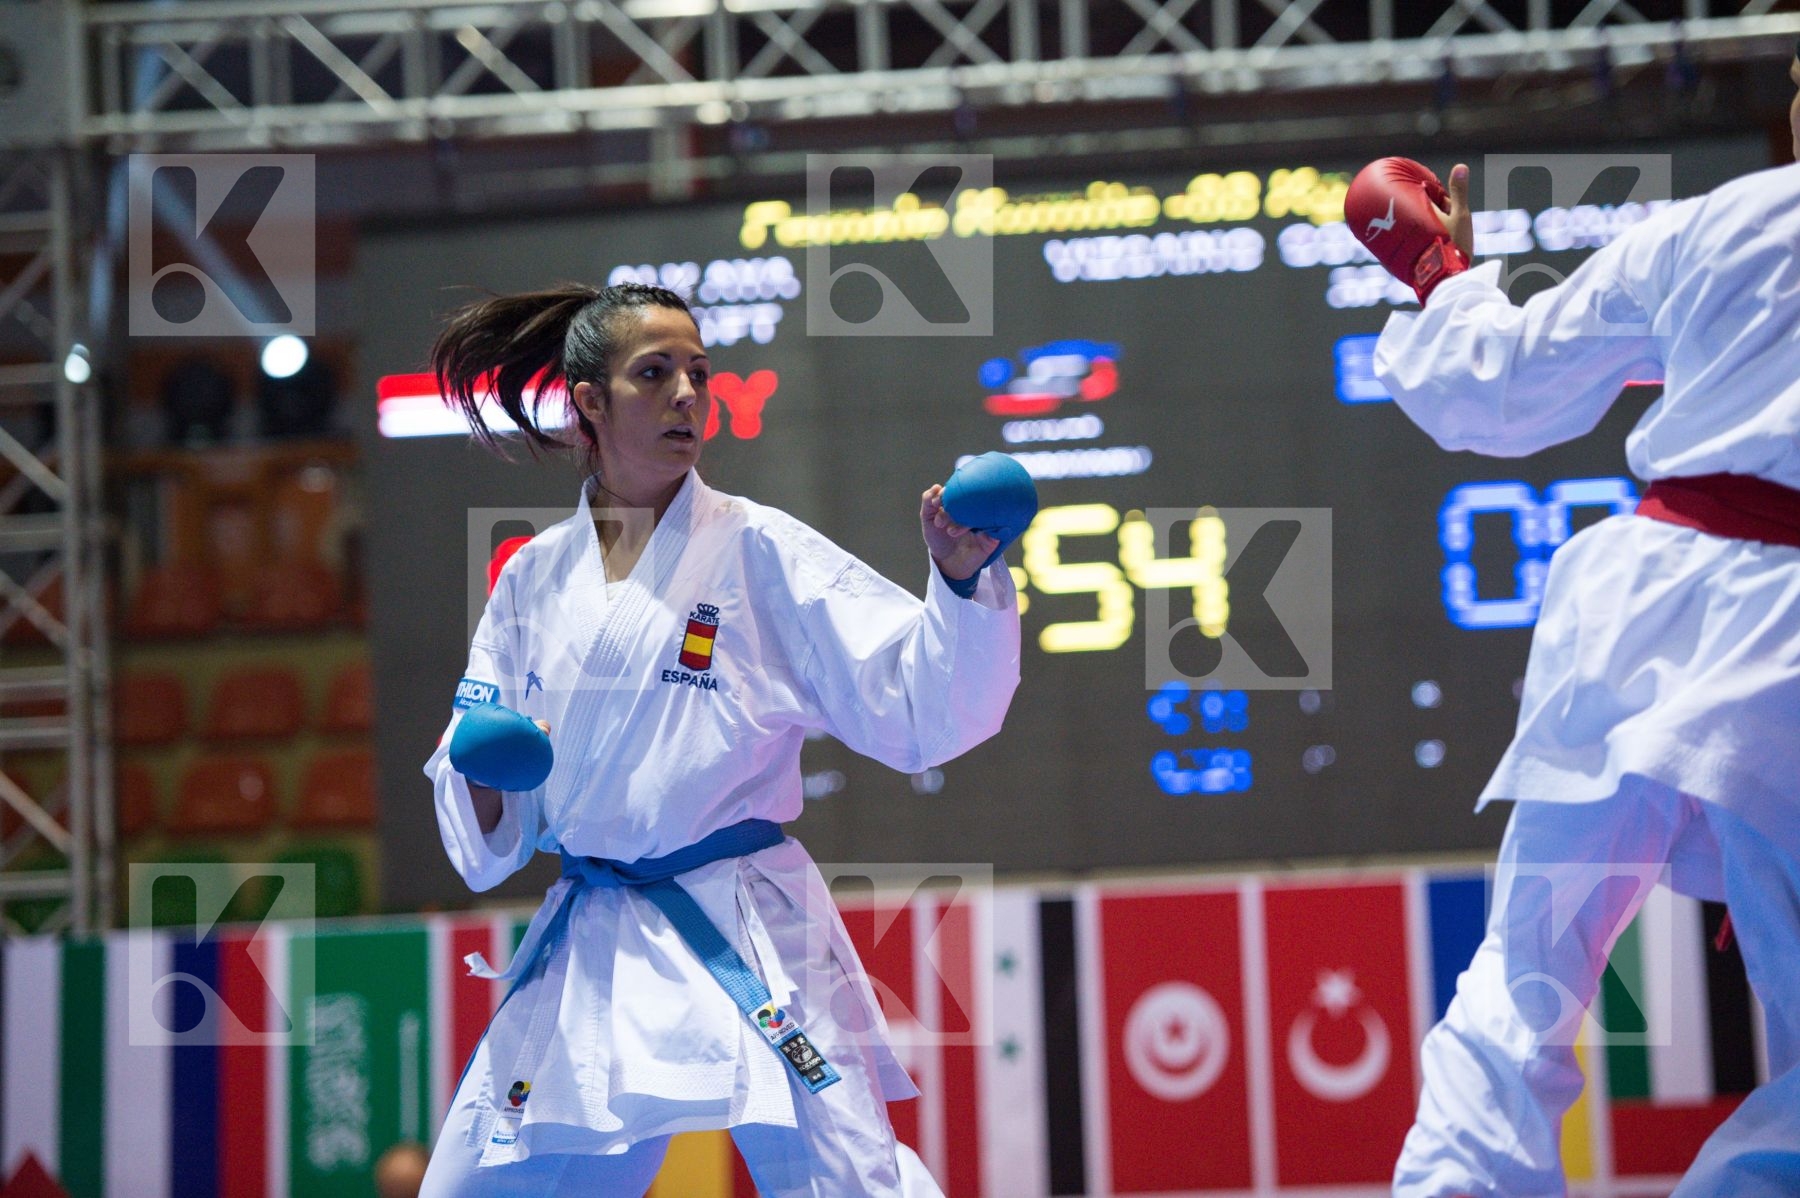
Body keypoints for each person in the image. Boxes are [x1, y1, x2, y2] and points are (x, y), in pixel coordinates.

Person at [416, 282, 1021, 1197]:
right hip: (595, 931)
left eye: (698, 372)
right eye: (653, 373)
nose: (688, 395)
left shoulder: (760, 550)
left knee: (850, 1186)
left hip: (744, 922)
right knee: (479, 1185)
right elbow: (488, 816)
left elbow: (915, 707)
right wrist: (487, 770)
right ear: (588, 401)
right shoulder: (532, 581)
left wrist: (958, 582)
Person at [1350, 56, 1800, 1198]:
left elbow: (1499, 386)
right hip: (1785, 666)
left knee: (1527, 963)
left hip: (1634, 616)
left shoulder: (1717, 227)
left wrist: (1438, 270)